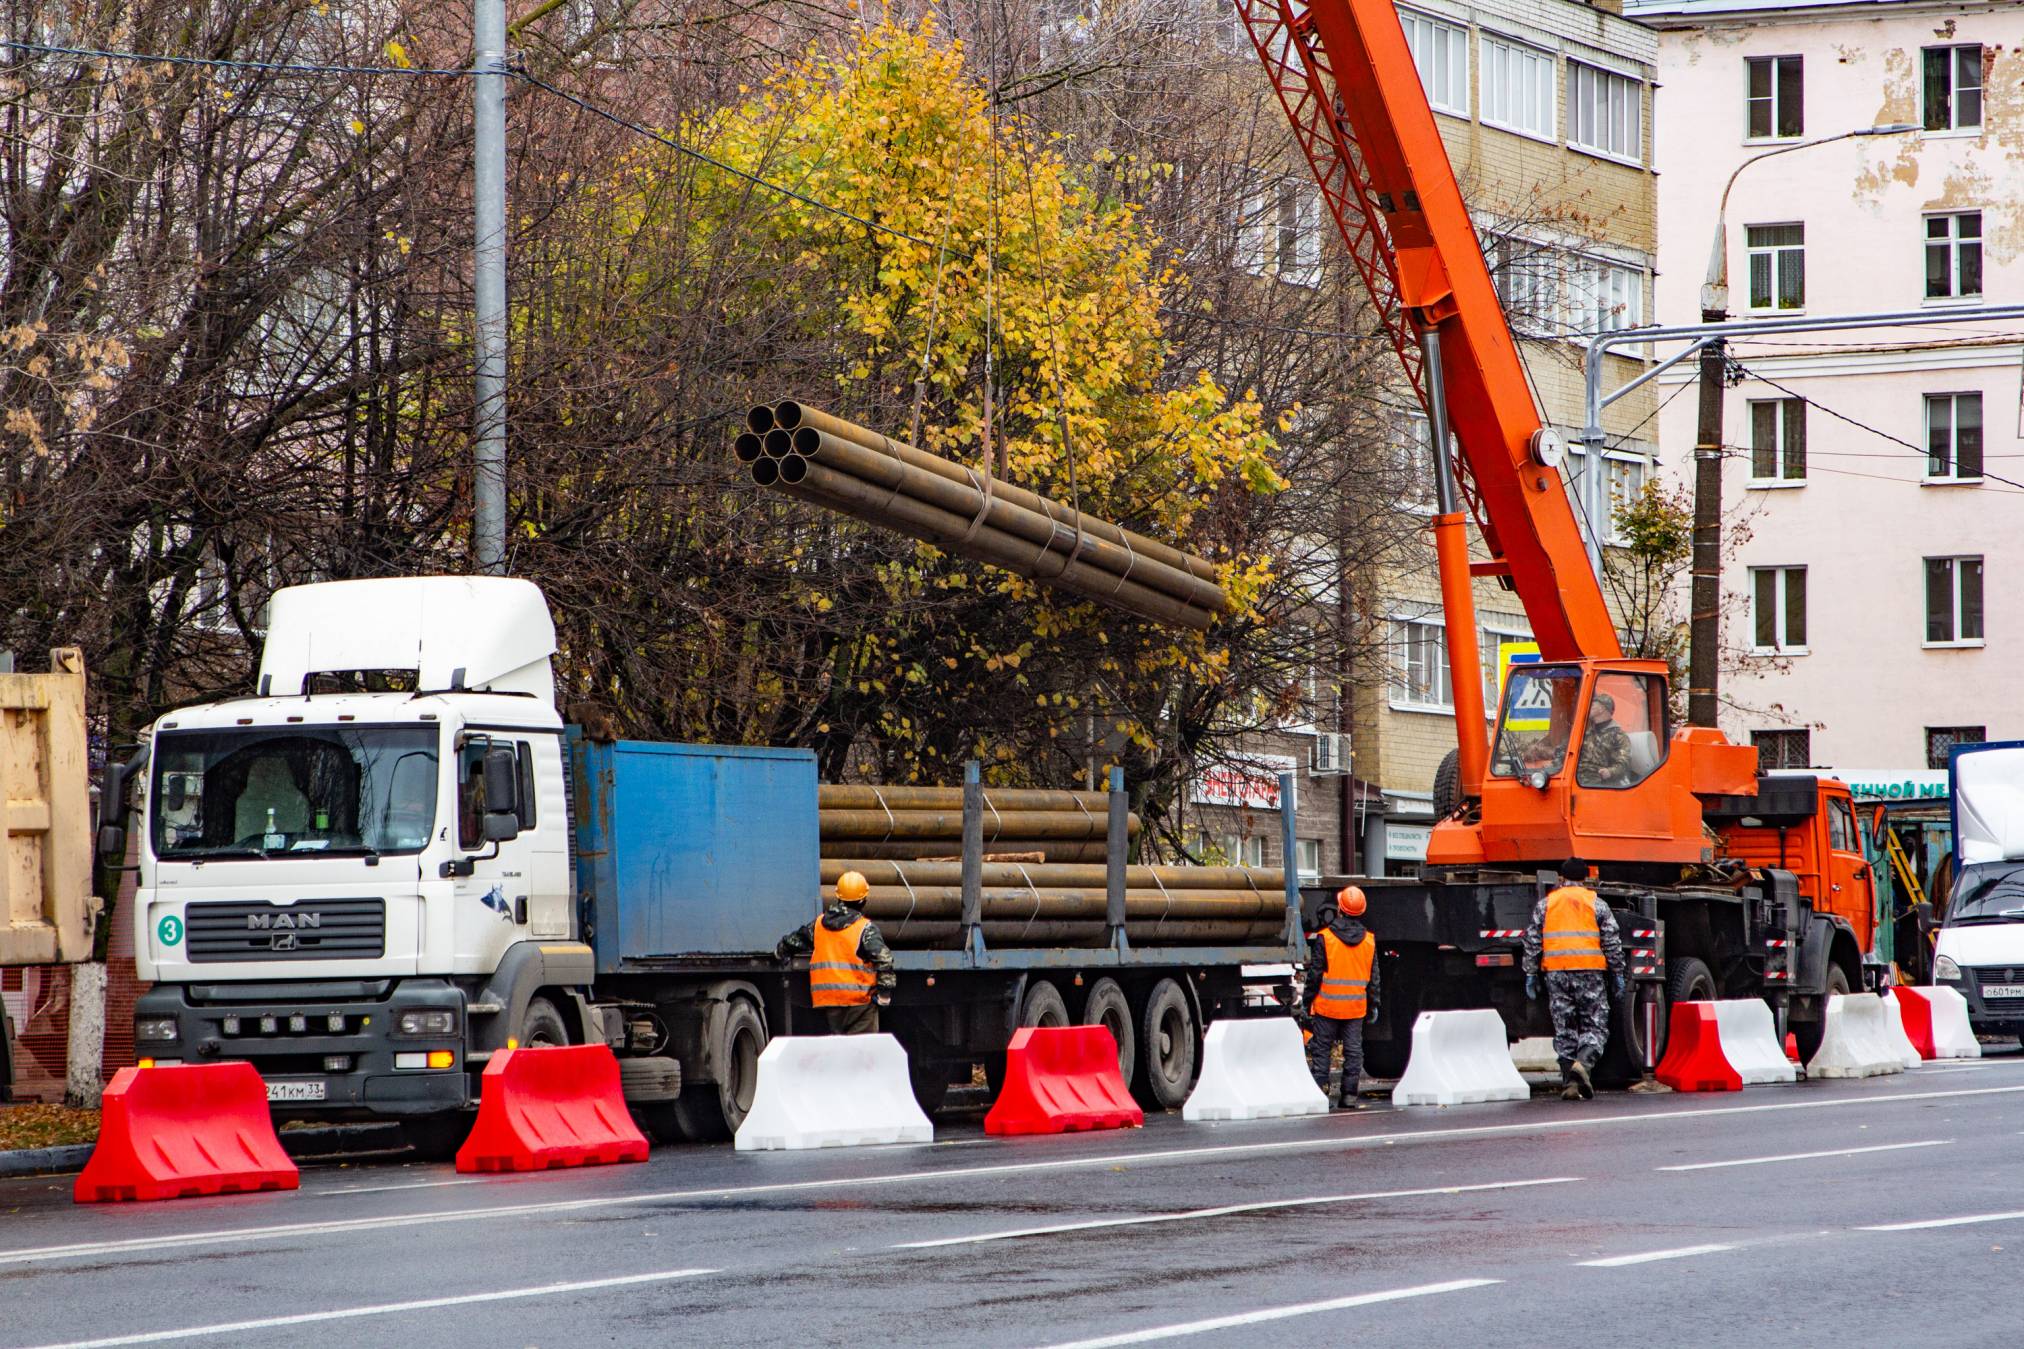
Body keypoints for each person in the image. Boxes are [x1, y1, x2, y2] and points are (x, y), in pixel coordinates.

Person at [1523, 858, 1626, 1100]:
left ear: (1561, 877)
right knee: (1595, 1024)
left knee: (1564, 1027)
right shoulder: (1596, 903)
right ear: (1586, 877)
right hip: (1589, 971)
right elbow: (1612, 941)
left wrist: (1530, 972)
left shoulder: (1546, 904)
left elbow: (1532, 940)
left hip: (1556, 972)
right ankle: (1583, 1064)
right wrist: (1618, 972)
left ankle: (1569, 1083)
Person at [776, 871, 896, 1034]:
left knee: (835, 1047)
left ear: (838, 897)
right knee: (861, 1048)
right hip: (859, 1004)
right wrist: (884, 996)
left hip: (828, 1003)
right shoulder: (865, 929)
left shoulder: (819, 924)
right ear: (863, 900)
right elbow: (884, 960)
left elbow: (794, 941)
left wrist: (780, 952)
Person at [1303, 885, 1380, 1109]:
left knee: (1322, 1050)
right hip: (1355, 1008)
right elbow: (1374, 978)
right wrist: (1374, 1004)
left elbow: (1315, 974)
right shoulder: (1369, 941)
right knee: (1353, 1052)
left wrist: (1307, 1001)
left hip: (1327, 1007)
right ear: (1362, 911)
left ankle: (1321, 1094)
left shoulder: (1326, 938)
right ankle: (1349, 1096)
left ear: (1339, 908)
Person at [1578, 691, 1633, 785]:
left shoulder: (1618, 736)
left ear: (1602, 708)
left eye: (1592, 705)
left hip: (1599, 783)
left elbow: (1624, 763)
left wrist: (1609, 772)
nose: (1589, 708)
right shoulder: (1586, 733)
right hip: (1578, 779)